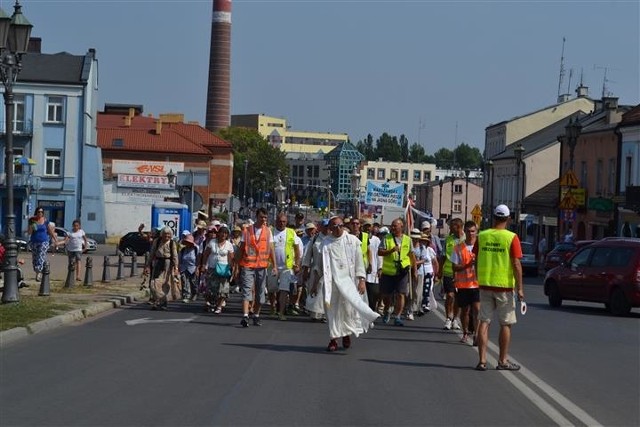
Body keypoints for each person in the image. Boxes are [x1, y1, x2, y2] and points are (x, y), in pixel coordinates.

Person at [312, 216, 380, 351]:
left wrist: (361, 280)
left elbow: (359, 262)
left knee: (348, 310)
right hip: (332, 283)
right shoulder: (325, 244)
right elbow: (319, 266)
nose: (338, 228)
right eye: (334, 226)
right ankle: (333, 338)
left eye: (340, 225)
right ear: (330, 228)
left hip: (349, 282)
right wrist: (314, 283)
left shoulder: (352, 241)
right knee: (332, 311)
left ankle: (346, 334)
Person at [474, 204, 524, 371]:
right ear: (508, 219)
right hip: (504, 287)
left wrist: (478, 277)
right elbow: (516, 264)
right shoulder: (511, 237)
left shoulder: (482, 235)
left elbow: (476, 257)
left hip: (485, 284)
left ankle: (482, 361)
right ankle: (502, 361)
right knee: (505, 324)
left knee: (484, 321)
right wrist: (520, 288)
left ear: (493, 217)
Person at [235, 207, 277, 327]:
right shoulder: (247, 231)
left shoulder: (268, 231)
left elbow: (271, 249)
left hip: (262, 266)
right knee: (247, 290)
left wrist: (274, 266)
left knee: (260, 293)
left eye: (265, 217)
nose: (263, 219)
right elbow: (242, 248)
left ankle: (256, 315)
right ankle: (245, 316)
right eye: (261, 217)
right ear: (256, 217)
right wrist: (236, 266)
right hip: (248, 265)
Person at [377, 217, 417, 326]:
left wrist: (414, 270)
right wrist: (390, 250)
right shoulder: (387, 238)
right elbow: (380, 252)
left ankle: (398, 316)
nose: (393, 228)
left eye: (395, 226)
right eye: (392, 226)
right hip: (389, 272)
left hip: (402, 271)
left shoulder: (407, 240)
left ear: (401, 227)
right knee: (387, 295)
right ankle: (387, 310)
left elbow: (411, 255)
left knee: (401, 294)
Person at [451, 220, 480, 345]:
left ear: (476, 232)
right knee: (465, 311)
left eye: (473, 231)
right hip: (463, 285)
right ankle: (465, 332)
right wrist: (467, 265)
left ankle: (477, 334)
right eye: (468, 231)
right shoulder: (458, 247)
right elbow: (454, 267)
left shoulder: (480, 247)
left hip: (477, 284)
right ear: (465, 232)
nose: (470, 234)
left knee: (477, 309)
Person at [272, 213, 302, 321]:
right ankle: (273, 307)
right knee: (272, 289)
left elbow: (297, 250)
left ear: (287, 222)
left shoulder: (291, 232)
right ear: (276, 221)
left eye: (284, 221)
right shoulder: (271, 232)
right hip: (272, 266)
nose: (282, 223)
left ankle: (281, 312)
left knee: (284, 290)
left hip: (287, 267)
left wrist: (297, 264)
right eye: (280, 221)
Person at [144, 226, 179, 310]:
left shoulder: (172, 243)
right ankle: (157, 300)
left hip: (167, 264)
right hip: (158, 263)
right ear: (162, 234)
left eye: (168, 235)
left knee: (165, 284)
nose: (167, 237)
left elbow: (175, 256)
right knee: (154, 283)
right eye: (165, 234)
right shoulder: (157, 241)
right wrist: (147, 265)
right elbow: (152, 253)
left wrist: (176, 267)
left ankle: (162, 302)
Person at [201, 225, 234, 313]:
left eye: (225, 233)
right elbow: (206, 254)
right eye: (222, 232)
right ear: (218, 233)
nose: (223, 234)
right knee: (211, 288)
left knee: (223, 288)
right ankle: (211, 303)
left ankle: (219, 306)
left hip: (224, 269)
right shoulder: (212, 242)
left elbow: (231, 258)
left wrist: (232, 269)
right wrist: (204, 265)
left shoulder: (229, 244)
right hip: (212, 268)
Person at [302, 219, 328, 322]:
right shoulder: (315, 238)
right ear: (320, 227)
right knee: (315, 290)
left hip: (328, 270)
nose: (326, 228)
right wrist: (305, 269)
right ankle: (315, 314)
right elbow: (308, 255)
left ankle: (326, 314)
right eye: (324, 226)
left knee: (326, 292)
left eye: (328, 226)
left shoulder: (332, 239)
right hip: (315, 269)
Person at [440, 218, 464, 330]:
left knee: (458, 299)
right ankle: (448, 318)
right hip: (449, 272)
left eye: (452, 226)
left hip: (462, 274)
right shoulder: (448, 240)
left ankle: (455, 318)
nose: (450, 228)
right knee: (450, 296)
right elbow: (443, 256)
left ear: (458, 227)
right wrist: (440, 270)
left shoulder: (466, 239)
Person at [27, 207, 58, 282]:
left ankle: (39, 273)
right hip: (34, 241)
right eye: (38, 212)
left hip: (44, 241)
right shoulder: (32, 221)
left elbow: (49, 230)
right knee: (35, 258)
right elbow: (29, 232)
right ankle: (37, 271)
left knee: (41, 255)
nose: (40, 213)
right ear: (36, 212)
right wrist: (31, 225)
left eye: (41, 212)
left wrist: (55, 238)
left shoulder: (45, 220)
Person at [361, 218, 382, 312]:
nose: (368, 228)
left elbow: (379, 255)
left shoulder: (376, 240)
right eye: (366, 226)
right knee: (362, 293)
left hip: (373, 271)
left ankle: (372, 310)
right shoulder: (360, 238)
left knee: (374, 293)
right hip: (362, 270)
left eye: (369, 226)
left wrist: (380, 268)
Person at [419, 233, 439, 313]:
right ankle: (419, 305)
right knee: (420, 290)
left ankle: (426, 304)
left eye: (425, 241)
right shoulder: (418, 249)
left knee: (427, 289)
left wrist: (436, 274)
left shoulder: (430, 250)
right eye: (422, 241)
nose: (423, 243)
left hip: (428, 272)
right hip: (420, 272)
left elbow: (435, 262)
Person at [178, 233, 199, 303]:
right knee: (184, 282)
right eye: (186, 242)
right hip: (184, 268)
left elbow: (198, 259)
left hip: (193, 268)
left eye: (189, 242)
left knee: (193, 282)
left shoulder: (196, 249)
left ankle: (194, 293)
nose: (187, 243)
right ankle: (186, 295)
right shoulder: (183, 250)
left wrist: (197, 268)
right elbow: (179, 259)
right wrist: (178, 267)